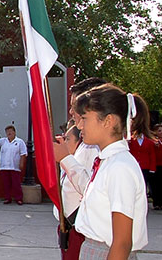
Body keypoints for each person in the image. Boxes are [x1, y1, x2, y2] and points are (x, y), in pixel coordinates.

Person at [72, 84, 148, 259]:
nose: (80, 126)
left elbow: (122, 242)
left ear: (108, 121)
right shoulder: (108, 162)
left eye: (85, 118)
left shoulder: (119, 167)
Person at [53, 77, 105, 259]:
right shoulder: (85, 143)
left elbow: (92, 190)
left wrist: (66, 158)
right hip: (70, 225)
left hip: (82, 228)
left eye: (75, 106)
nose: (71, 112)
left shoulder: (98, 147)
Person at [0, 125, 27, 205]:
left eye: (10, 131)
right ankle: (7, 198)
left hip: (14, 166)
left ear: (14, 132)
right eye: (7, 131)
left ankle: (18, 198)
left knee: (16, 183)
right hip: (4, 166)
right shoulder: (4, 141)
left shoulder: (19, 142)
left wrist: (22, 163)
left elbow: (23, 154)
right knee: (6, 183)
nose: (9, 133)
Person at [128, 105, 156, 195]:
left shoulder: (149, 141)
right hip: (134, 166)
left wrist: (152, 168)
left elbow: (152, 155)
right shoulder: (131, 140)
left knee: (143, 185)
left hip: (145, 167)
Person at [152, 124, 162, 210]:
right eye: (159, 131)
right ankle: (157, 202)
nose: (161, 133)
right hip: (157, 165)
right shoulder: (154, 142)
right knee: (156, 184)